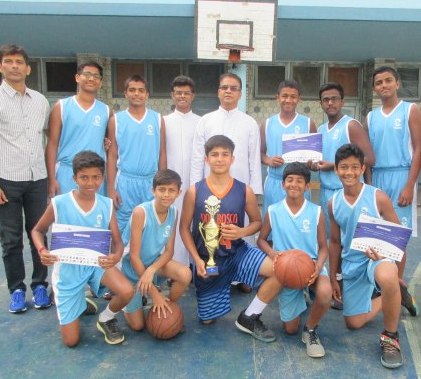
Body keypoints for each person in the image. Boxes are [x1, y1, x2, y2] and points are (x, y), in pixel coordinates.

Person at [0, 44, 52, 313]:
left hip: (37, 178)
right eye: (9, 61)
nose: (14, 66)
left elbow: (49, 137)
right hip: (6, 179)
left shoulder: (40, 101)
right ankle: (17, 289)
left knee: (39, 234)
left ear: (28, 69)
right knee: (11, 238)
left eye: (19, 62)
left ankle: (40, 285)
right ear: (0, 66)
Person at [179, 135, 282, 342]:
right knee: (207, 320)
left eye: (225, 154)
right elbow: (184, 228)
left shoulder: (244, 190)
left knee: (279, 270)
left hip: (237, 252)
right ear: (206, 159)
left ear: (232, 159)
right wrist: (196, 260)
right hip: (208, 261)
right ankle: (213, 297)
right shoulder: (194, 191)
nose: (220, 159)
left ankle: (249, 316)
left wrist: (241, 232)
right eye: (214, 154)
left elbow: (257, 222)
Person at [31, 151, 133, 347]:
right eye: (84, 177)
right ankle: (79, 300)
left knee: (127, 291)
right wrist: (42, 250)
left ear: (102, 177)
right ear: (74, 178)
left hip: (96, 264)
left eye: (96, 177)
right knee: (71, 341)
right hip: (68, 270)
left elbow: (118, 242)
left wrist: (115, 256)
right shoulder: (59, 203)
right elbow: (37, 230)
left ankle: (106, 318)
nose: (90, 183)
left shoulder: (106, 204)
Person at [328, 144, 415, 369]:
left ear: (362, 168)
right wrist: (334, 277)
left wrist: (395, 274)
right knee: (353, 323)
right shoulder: (333, 203)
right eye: (344, 167)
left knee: (387, 276)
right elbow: (335, 242)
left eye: (354, 167)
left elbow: (399, 239)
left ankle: (390, 338)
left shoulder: (378, 197)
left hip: (376, 259)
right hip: (352, 262)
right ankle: (394, 296)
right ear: (336, 169)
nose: (349, 172)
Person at [257, 162, 332, 358]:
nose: (294, 184)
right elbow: (261, 240)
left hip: (311, 264)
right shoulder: (273, 210)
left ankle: (310, 330)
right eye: (290, 180)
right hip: (286, 269)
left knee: (326, 292)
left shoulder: (316, 211)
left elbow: (323, 247)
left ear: (308, 186)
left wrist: (319, 266)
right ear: (283, 184)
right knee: (290, 330)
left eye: (300, 181)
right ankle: (300, 294)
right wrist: (273, 254)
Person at [367, 66, 421, 278]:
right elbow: (368, 156)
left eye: (388, 80)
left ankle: (398, 286)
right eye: (379, 82)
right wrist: (369, 186)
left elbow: (419, 149)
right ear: (374, 89)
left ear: (397, 83)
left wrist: (410, 185)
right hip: (377, 177)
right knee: (376, 234)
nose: (384, 85)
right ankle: (380, 282)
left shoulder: (410, 110)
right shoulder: (371, 117)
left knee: (397, 237)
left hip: (401, 176)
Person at [120, 169, 191, 331]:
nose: (166, 194)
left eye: (171, 190)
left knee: (185, 274)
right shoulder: (141, 212)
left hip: (151, 264)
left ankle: (167, 308)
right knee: (138, 326)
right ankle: (125, 296)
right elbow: (134, 256)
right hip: (131, 269)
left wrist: (151, 270)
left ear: (178, 193)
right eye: (162, 189)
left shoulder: (174, 212)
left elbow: (169, 251)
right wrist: (155, 293)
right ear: (153, 190)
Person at [312, 82, 375, 235]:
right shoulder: (321, 129)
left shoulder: (351, 125)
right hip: (325, 192)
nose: (330, 103)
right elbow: (319, 160)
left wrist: (333, 165)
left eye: (334, 98)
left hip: (348, 191)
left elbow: (369, 158)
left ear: (342, 101)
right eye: (326, 100)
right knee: (332, 239)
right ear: (321, 104)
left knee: (352, 238)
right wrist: (313, 164)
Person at [107, 75, 167, 234]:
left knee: (150, 226)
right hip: (125, 182)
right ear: (125, 93)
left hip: (150, 182)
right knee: (122, 226)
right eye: (132, 90)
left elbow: (162, 153)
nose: (136, 94)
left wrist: (162, 185)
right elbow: (112, 155)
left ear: (147, 94)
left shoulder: (157, 119)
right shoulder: (116, 120)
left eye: (141, 90)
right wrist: (111, 188)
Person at [189, 73, 262, 194]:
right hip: (209, 187)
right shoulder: (205, 121)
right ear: (219, 92)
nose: (228, 91)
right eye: (224, 87)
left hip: (241, 186)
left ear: (240, 94)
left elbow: (254, 160)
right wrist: (195, 189)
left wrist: (254, 191)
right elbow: (197, 158)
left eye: (233, 88)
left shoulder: (250, 123)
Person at [46, 61, 111, 197]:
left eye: (96, 76)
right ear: (77, 77)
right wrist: (51, 179)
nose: (91, 78)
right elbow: (52, 144)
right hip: (67, 172)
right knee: (65, 211)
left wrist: (106, 143)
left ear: (100, 83)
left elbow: (108, 141)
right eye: (87, 74)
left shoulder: (106, 111)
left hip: (95, 175)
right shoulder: (61, 106)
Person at [260, 80, 317, 218]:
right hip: (274, 182)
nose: (288, 100)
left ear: (299, 98)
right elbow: (260, 153)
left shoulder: (308, 123)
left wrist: (312, 162)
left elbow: (314, 157)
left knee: (299, 221)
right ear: (277, 97)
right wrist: (269, 160)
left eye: (293, 96)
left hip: (299, 183)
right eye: (284, 96)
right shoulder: (267, 124)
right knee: (272, 222)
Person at [164, 75, 200, 265]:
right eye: (178, 93)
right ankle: (174, 265)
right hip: (170, 184)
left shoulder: (201, 122)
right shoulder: (163, 121)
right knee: (172, 220)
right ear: (172, 95)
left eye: (186, 93)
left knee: (195, 222)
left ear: (193, 96)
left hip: (195, 182)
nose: (182, 96)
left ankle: (195, 265)